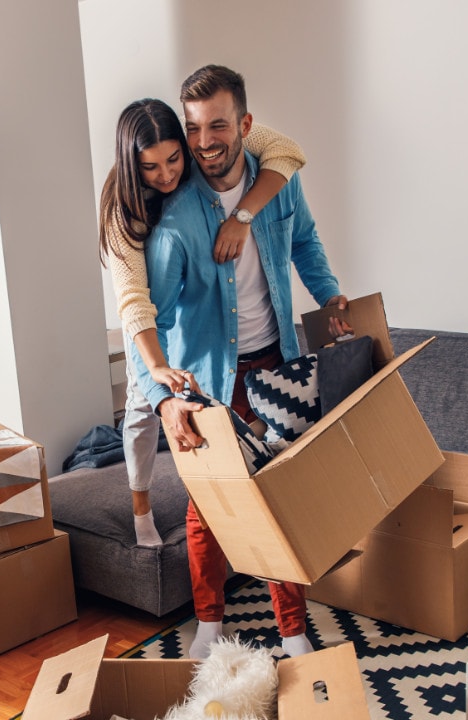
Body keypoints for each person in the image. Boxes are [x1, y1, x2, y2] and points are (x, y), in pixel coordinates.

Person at [127, 64, 349, 659]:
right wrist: (164, 399)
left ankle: (294, 632)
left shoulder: (278, 182)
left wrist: (329, 296)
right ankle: (208, 622)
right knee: (210, 504)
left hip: (281, 364)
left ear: (245, 126)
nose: (203, 143)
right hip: (209, 382)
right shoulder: (173, 223)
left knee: (283, 495)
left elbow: (305, 243)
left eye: (218, 125)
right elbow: (141, 323)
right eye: (193, 129)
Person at [98, 99, 308, 547]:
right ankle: (141, 508)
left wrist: (242, 218)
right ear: (132, 165)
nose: (167, 174)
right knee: (140, 409)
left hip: (188, 320)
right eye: (151, 167)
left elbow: (286, 150)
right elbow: (135, 300)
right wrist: (155, 369)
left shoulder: (202, 143)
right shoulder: (123, 209)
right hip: (146, 321)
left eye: (174, 159)